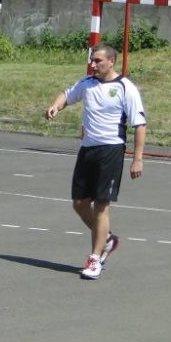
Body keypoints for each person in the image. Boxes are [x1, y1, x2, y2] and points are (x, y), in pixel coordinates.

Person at [45, 43, 146, 280]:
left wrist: (137, 159)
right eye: (92, 60)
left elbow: (139, 125)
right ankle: (107, 239)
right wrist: (55, 106)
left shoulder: (125, 87)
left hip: (111, 150)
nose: (93, 64)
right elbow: (67, 95)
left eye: (98, 60)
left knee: (101, 206)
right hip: (87, 150)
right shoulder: (86, 83)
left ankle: (95, 258)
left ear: (111, 61)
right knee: (79, 204)